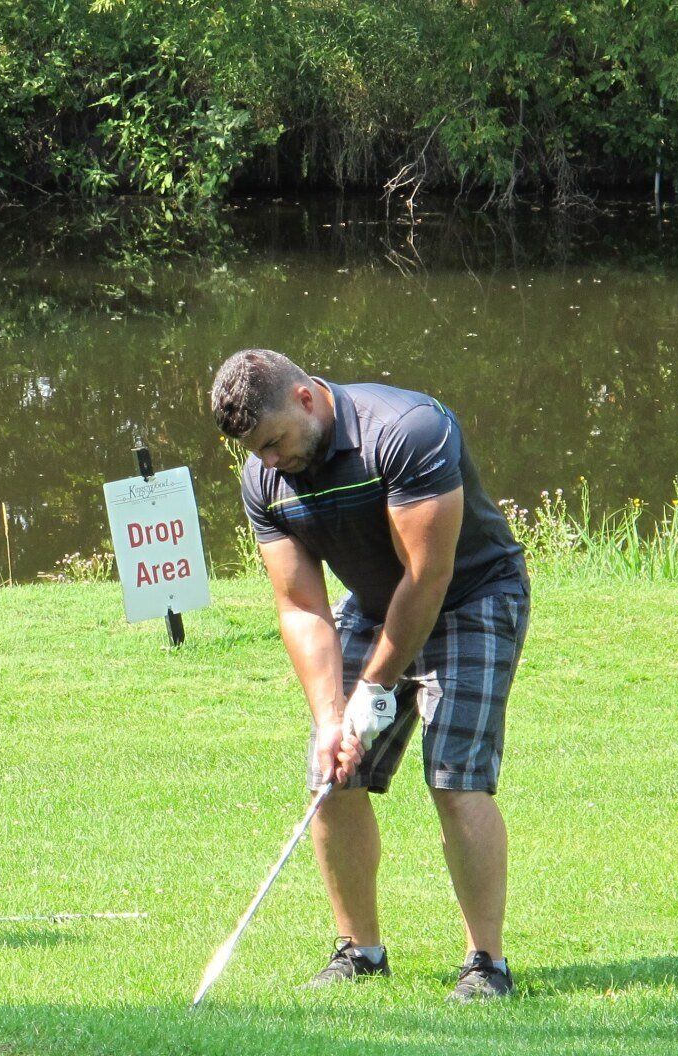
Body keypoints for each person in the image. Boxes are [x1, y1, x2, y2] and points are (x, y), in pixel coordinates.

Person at [210, 348, 529, 1001]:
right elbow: (301, 607)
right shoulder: (264, 479)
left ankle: (486, 965)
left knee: (455, 776)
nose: (270, 462)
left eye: (274, 443)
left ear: (305, 398)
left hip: (472, 597)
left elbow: (428, 575)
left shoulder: (407, 430)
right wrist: (333, 718)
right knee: (332, 773)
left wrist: (373, 690)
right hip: (379, 607)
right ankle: (359, 952)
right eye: (257, 452)